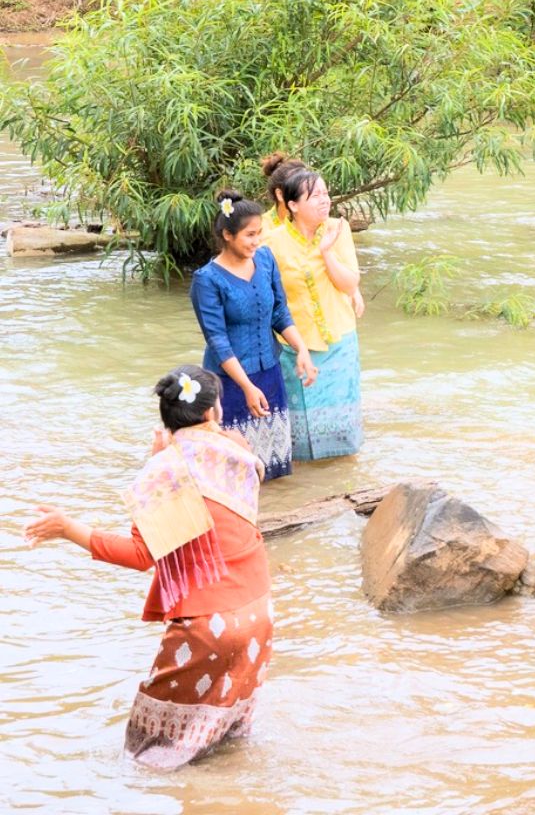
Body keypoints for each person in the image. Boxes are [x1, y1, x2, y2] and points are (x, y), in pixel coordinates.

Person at [25, 366, 275, 768]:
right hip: (259, 612)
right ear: (212, 413)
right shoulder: (240, 453)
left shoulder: (164, 472)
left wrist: (69, 528)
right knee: (225, 741)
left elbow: (141, 555)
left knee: (148, 756)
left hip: (208, 624)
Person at [189, 192, 315, 480]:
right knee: (234, 468)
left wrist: (301, 349)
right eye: (250, 235)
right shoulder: (207, 280)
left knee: (272, 463)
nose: (257, 241)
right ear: (227, 235)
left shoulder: (266, 259)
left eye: (259, 233)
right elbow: (217, 340)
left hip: (269, 373)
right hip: (230, 383)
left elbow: (280, 311)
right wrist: (246, 387)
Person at [261, 155, 364, 462]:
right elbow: (268, 299)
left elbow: (349, 283)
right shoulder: (271, 241)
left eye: (326, 194)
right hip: (296, 346)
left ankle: (342, 482)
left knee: (343, 436)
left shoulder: (338, 229)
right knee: (301, 437)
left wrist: (326, 253)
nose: (325, 201)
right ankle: (307, 489)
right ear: (292, 204)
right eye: (315, 196)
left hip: (340, 339)